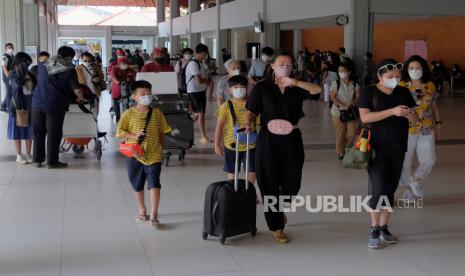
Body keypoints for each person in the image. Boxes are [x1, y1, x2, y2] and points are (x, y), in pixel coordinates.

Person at [245, 51, 321, 244]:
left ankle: (279, 209)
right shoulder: (262, 87)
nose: (284, 68)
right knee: (268, 182)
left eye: (288, 65)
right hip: (268, 139)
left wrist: (294, 82)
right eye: (280, 64)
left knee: (292, 182)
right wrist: (249, 123)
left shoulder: (297, 87)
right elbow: (251, 110)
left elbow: (316, 90)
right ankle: (276, 225)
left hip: (292, 138)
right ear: (272, 66)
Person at [358, 59, 418, 249]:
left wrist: (410, 115)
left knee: (390, 188)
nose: (394, 80)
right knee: (378, 187)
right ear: (380, 77)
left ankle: (384, 227)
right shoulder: (369, 91)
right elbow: (365, 117)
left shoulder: (403, 92)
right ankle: (374, 228)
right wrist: (392, 111)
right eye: (390, 77)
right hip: (376, 147)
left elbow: (415, 118)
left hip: (398, 146)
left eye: (397, 77)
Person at [116, 80, 171, 227]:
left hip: (154, 154)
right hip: (135, 155)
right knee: (137, 184)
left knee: (154, 184)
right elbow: (120, 132)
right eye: (143, 94)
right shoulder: (128, 114)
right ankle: (142, 209)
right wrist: (134, 136)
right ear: (134, 96)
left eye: (149, 93)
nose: (147, 96)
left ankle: (154, 213)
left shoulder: (157, 113)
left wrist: (161, 148)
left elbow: (162, 132)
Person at [31, 46, 85, 169]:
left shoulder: (43, 64)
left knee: (38, 133)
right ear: (69, 57)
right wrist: (81, 98)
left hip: (37, 103)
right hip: (54, 105)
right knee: (53, 133)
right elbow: (77, 90)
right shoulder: (69, 69)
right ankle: (51, 162)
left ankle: (37, 160)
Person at [398, 55, 441, 200]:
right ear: (407, 70)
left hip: (427, 128)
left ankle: (415, 181)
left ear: (423, 69)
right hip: (406, 129)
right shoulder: (401, 86)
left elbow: (434, 105)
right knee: (404, 162)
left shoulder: (430, 85)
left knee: (429, 160)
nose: (414, 70)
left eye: (417, 68)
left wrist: (439, 124)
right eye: (411, 68)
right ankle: (408, 190)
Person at [215, 75, 257, 184]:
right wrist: (217, 145)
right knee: (232, 171)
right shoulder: (226, 106)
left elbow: (260, 123)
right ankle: (231, 193)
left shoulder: (253, 104)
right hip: (232, 144)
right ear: (229, 90)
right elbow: (219, 126)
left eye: (242, 87)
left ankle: (250, 191)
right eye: (235, 87)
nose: (239, 90)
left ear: (247, 89)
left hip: (251, 144)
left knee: (252, 170)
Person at [7, 52, 35, 164]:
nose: (27, 66)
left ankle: (28, 154)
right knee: (16, 131)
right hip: (17, 106)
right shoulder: (12, 73)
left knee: (30, 131)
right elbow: (17, 85)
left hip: (30, 104)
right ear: (20, 63)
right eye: (25, 63)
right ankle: (19, 155)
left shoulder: (29, 73)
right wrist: (22, 72)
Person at [330, 63, 360, 160]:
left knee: (352, 133)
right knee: (341, 132)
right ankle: (340, 152)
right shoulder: (336, 83)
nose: (341, 73)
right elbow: (333, 97)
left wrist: (353, 102)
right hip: (337, 112)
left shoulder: (354, 84)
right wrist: (342, 105)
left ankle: (347, 147)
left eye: (343, 71)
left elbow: (358, 96)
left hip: (350, 111)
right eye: (339, 71)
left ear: (349, 72)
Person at [185, 43, 211, 144]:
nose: (205, 56)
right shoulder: (193, 64)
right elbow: (199, 80)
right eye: (205, 54)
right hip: (194, 91)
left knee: (197, 114)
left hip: (200, 91)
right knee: (201, 114)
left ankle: (185, 126)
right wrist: (207, 82)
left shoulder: (200, 63)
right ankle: (203, 135)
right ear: (201, 53)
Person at [110, 57, 137, 123]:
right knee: (116, 103)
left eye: (125, 63)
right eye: (122, 63)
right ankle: (118, 117)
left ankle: (127, 117)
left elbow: (136, 76)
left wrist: (134, 71)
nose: (124, 64)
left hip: (127, 89)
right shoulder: (115, 69)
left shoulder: (129, 69)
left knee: (126, 102)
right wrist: (119, 82)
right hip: (117, 89)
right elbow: (113, 77)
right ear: (118, 63)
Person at [1, 43, 15, 112]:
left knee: (10, 92)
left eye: (12, 47)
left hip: (12, 76)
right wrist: (8, 77)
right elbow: (4, 67)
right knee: (9, 92)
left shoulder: (12, 56)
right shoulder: (4, 56)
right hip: (7, 77)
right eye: (9, 47)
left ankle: (3, 106)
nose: (11, 49)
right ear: (6, 49)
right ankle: (9, 109)